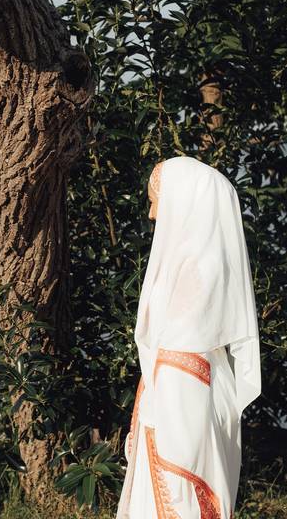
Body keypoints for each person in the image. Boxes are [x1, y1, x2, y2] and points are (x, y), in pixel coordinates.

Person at [116, 156, 261, 519]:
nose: (151, 214)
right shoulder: (195, 260)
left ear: (182, 201)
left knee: (179, 494)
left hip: (184, 396)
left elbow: (183, 340)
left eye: (155, 200)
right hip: (178, 387)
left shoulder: (200, 267)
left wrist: (162, 405)